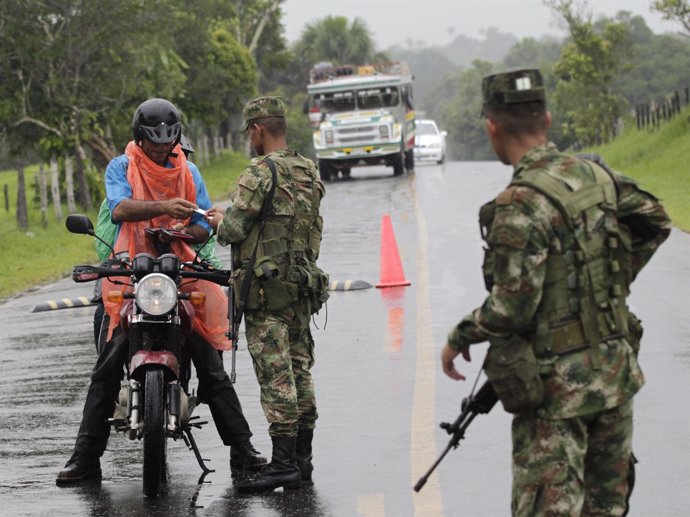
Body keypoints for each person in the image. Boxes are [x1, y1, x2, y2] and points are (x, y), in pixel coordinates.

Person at [440, 69, 671, 515]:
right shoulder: (598, 176)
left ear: (491, 126)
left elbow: (511, 308)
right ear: (546, 120)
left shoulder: (518, 204)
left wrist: (458, 338)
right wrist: (609, 284)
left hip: (556, 394)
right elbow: (655, 219)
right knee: (608, 509)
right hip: (614, 376)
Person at [56, 98, 265, 485]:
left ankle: (243, 450)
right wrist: (164, 205)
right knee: (106, 365)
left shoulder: (190, 170)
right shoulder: (121, 166)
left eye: (168, 141)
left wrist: (183, 232)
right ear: (139, 138)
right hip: (130, 271)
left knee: (211, 365)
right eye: (153, 142)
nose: (161, 148)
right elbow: (119, 209)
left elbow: (204, 222)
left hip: (178, 268)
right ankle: (85, 458)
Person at [207, 96, 328, 493]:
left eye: (249, 134)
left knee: (277, 378)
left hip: (265, 294)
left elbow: (233, 231)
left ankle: (282, 466)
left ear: (258, 130)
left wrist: (221, 219)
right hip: (300, 290)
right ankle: (302, 462)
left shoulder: (258, 173)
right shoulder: (307, 170)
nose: (249, 140)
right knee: (300, 371)